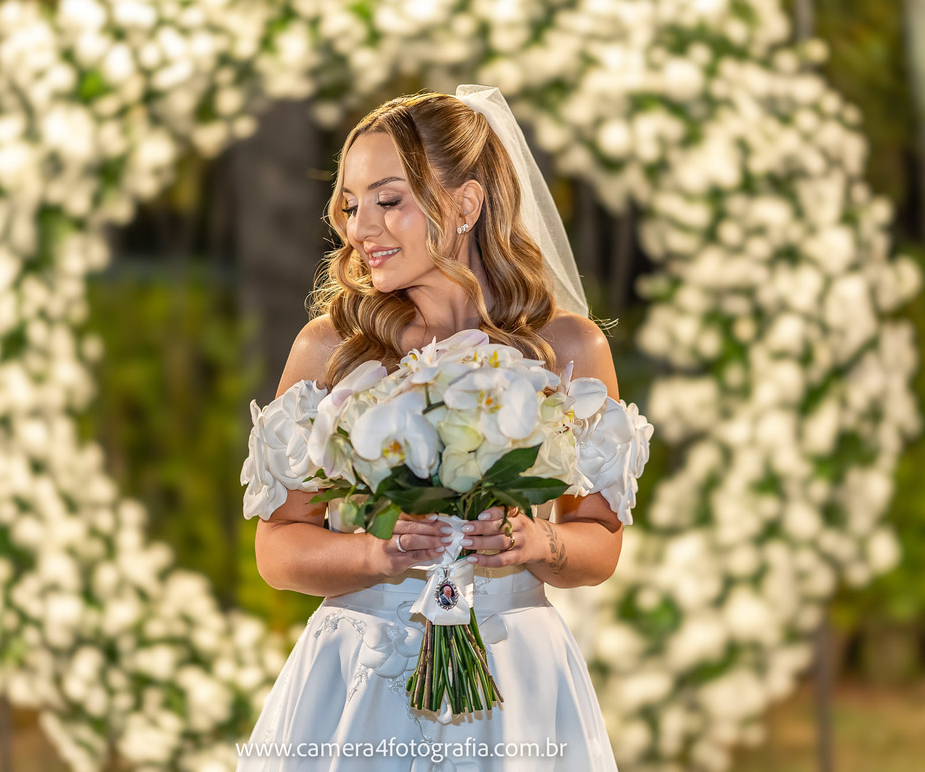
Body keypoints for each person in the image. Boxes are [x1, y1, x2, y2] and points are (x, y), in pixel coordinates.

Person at [237, 86, 652, 771]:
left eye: (389, 200)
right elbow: (278, 549)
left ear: (465, 204)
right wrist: (376, 556)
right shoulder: (331, 349)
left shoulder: (566, 351)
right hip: (360, 678)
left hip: (514, 680)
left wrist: (536, 540)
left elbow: (600, 545)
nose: (359, 227)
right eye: (350, 204)